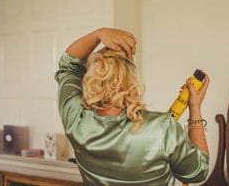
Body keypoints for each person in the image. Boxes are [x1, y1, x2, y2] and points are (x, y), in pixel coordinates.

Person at [54, 27, 211, 185]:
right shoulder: (163, 128)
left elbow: (68, 65)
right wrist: (195, 108)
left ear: (92, 79)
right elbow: (198, 172)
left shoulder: (75, 119)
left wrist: (99, 34)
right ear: (131, 80)